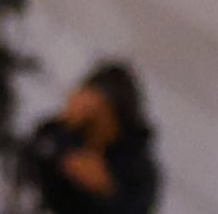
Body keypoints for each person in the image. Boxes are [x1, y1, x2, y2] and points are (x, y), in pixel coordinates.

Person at [21, 63, 158, 214]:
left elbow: (136, 206)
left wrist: (107, 190)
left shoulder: (137, 169)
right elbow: (28, 168)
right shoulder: (59, 133)